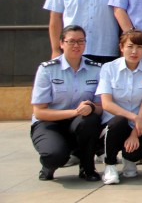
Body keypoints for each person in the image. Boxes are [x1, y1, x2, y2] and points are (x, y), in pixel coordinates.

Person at [30, 25, 103, 182]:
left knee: (91, 120)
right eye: (71, 41)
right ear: (61, 43)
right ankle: (49, 165)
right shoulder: (47, 69)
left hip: (79, 123)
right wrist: (74, 112)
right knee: (55, 155)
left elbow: (101, 107)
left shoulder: (96, 69)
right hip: (49, 123)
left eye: (81, 41)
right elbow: (39, 112)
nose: (76, 45)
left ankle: (87, 168)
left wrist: (91, 107)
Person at [97, 29, 142, 184]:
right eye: (130, 46)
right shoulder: (108, 68)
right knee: (118, 121)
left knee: (134, 153)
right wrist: (134, 117)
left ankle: (129, 160)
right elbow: (106, 104)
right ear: (121, 47)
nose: (134, 51)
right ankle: (110, 165)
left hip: (139, 125)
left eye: (139, 47)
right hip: (113, 123)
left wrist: (134, 134)